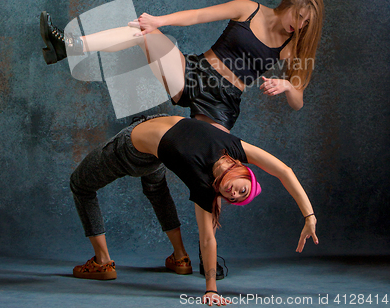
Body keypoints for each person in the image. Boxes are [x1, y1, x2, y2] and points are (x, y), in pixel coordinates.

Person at [70, 114, 318, 306]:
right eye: (242, 190)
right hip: (156, 153)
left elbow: (208, 239)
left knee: (80, 184)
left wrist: (211, 288)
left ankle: (102, 262)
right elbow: (284, 171)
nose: (233, 193)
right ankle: (179, 257)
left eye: (234, 198)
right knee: (156, 189)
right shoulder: (235, 148)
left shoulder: (204, 187)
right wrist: (309, 215)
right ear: (244, 171)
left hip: (131, 148)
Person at [40, 0, 324, 133]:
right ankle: (70, 46)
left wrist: (288, 86)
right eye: (298, 16)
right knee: (143, 33)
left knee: (211, 170)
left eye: (306, 23)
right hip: (193, 72)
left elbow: (298, 101)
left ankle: (204, 241)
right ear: (289, 3)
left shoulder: (290, 47)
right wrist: (158, 21)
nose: (299, 25)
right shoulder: (249, 9)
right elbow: (199, 16)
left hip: (222, 104)